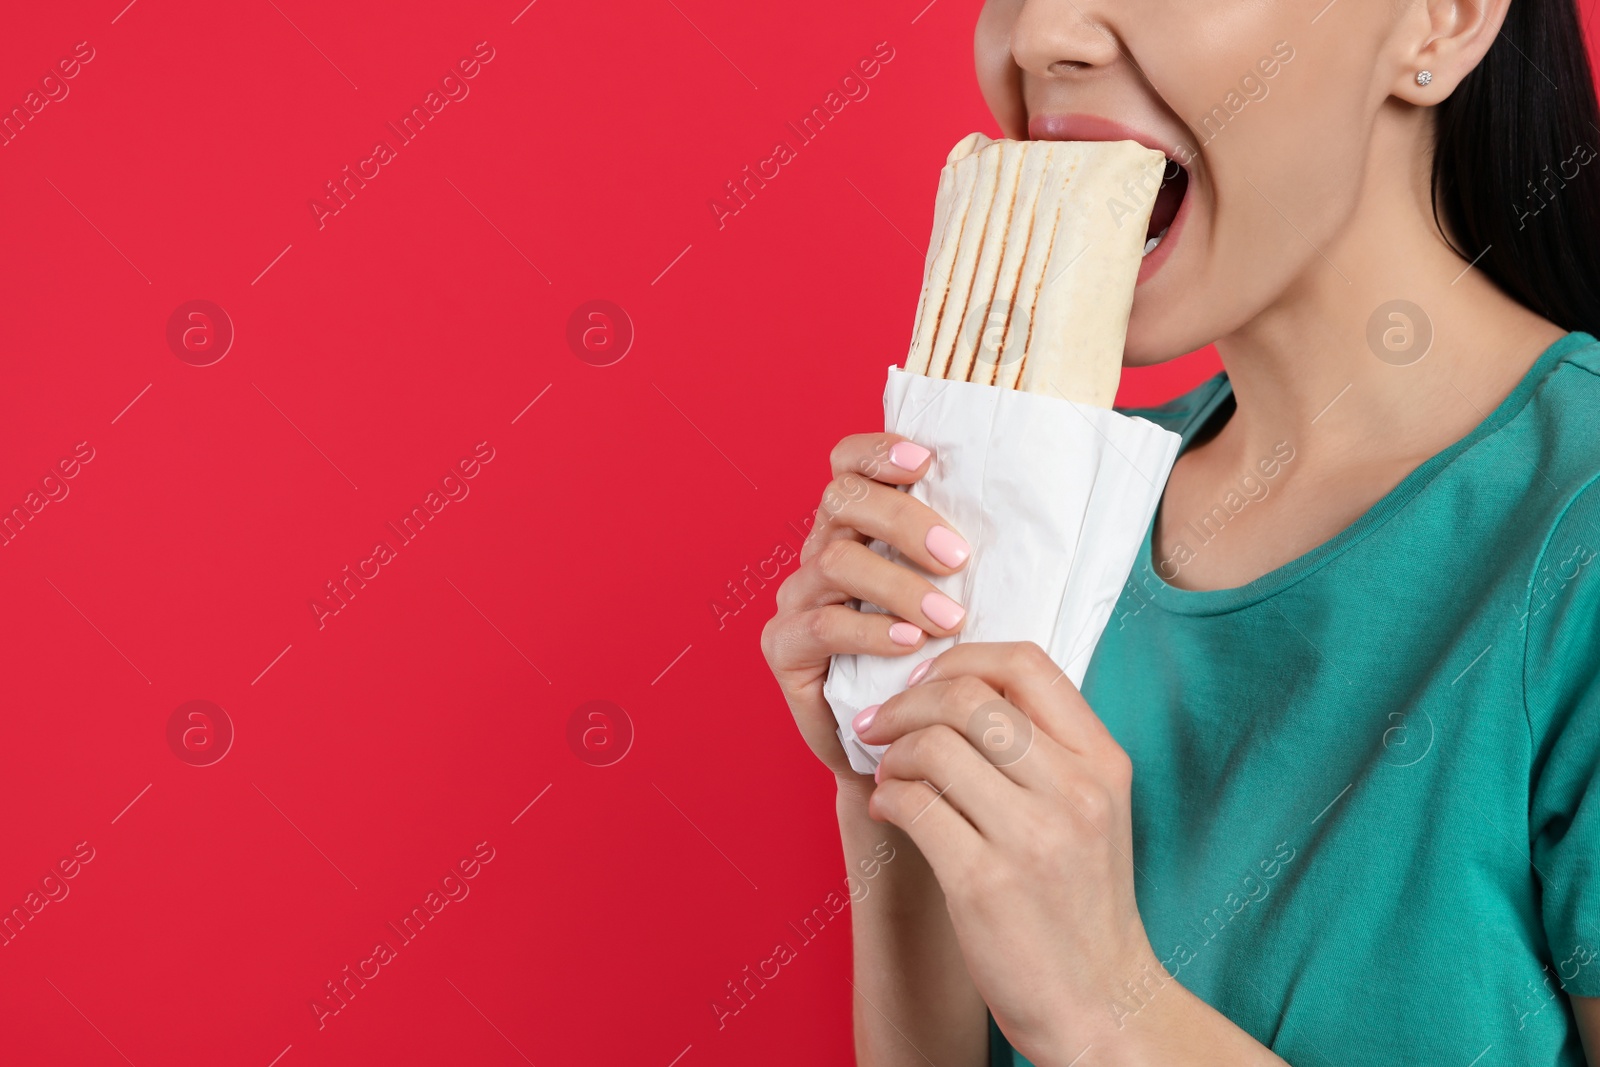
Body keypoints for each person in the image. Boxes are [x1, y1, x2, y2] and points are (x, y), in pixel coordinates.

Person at [760, 0, 1600, 1063]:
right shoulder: (1048, 514)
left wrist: (1108, 1010)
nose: (1038, 36)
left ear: (1440, 21)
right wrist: (880, 770)